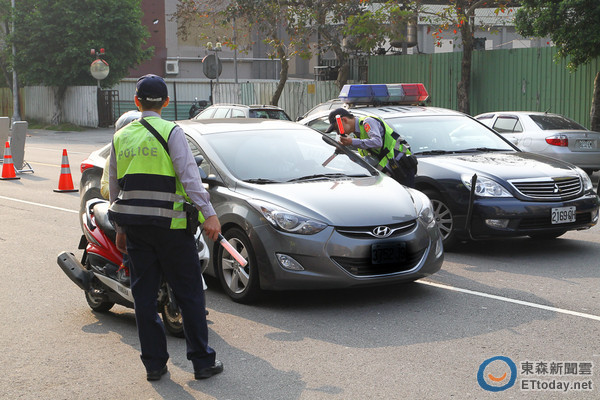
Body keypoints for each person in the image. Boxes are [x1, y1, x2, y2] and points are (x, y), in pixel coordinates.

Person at [107, 74, 223, 382]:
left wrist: (120, 225)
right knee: (190, 296)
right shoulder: (172, 131)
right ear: (167, 103)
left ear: (137, 102)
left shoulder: (121, 137)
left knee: (144, 299)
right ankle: (202, 363)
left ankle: (154, 365)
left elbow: (114, 187)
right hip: (172, 228)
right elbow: (189, 177)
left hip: (136, 230)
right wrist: (209, 214)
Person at [326, 108, 417, 187]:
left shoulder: (367, 122)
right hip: (392, 171)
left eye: (337, 129)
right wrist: (346, 152)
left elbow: (377, 142)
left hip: (402, 165)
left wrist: (352, 142)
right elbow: (367, 160)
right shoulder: (358, 135)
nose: (338, 133)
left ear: (344, 120)